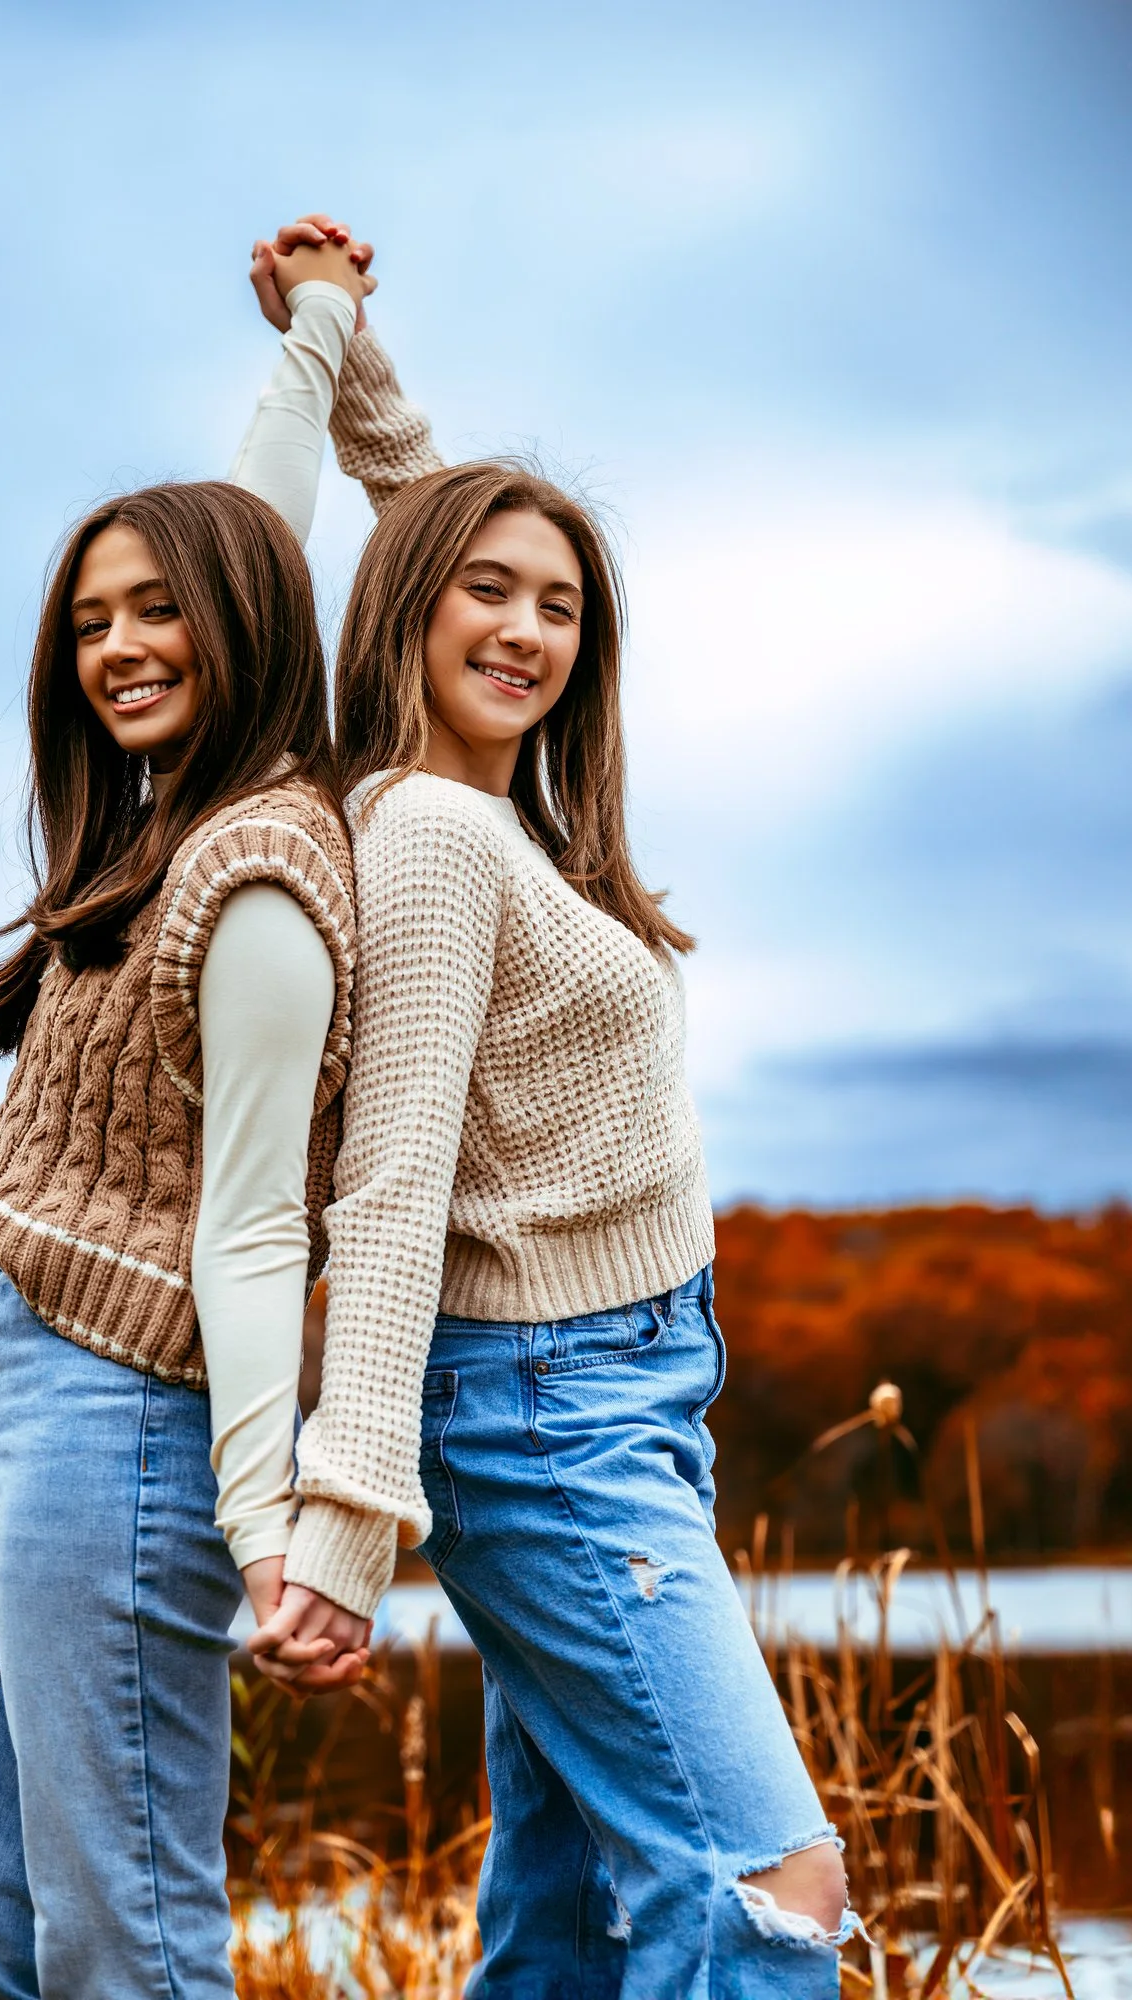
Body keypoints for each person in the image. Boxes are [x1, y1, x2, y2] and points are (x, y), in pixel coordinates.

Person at [254, 282, 858, 1991]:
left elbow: (451, 551)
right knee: (772, 1888)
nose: (527, 631)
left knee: (575, 1908)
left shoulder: (492, 809)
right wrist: (351, 1504)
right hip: (544, 1411)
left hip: (627, 1398)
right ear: (405, 614)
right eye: (487, 595)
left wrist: (358, 371)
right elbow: (394, 1176)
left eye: (562, 607)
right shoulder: (438, 836)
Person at [0, 220, 381, 2000]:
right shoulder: (165, 811)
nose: (116, 647)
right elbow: (257, 510)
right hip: (32, 1390)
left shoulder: (255, 871)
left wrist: (273, 1533)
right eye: (91, 619)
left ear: (237, 623)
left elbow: (261, 1225)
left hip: (125, 1414)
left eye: (156, 611)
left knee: (127, 1946)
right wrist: (315, 336)